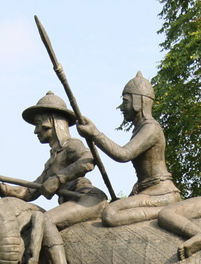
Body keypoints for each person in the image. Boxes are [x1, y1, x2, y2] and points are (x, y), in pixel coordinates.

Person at [0, 92, 107, 264]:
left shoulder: (72, 145)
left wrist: (59, 179)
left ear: (54, 123)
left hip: (87, 199)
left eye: (40, 125)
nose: (35, 131)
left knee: (42, 218)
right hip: (70, 202)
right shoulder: (52, 160)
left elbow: (89, 160)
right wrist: (0, 188)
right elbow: (29, 191)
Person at [76, 72, 181, 227]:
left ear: (138, 101)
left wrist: (95, 134)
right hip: (146, 190)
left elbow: (124, 154)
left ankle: (165, 212)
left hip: (162, 193)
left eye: (125, 102)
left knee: (110, 214)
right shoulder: (139, 129)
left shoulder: (151, 128)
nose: (122, 108)